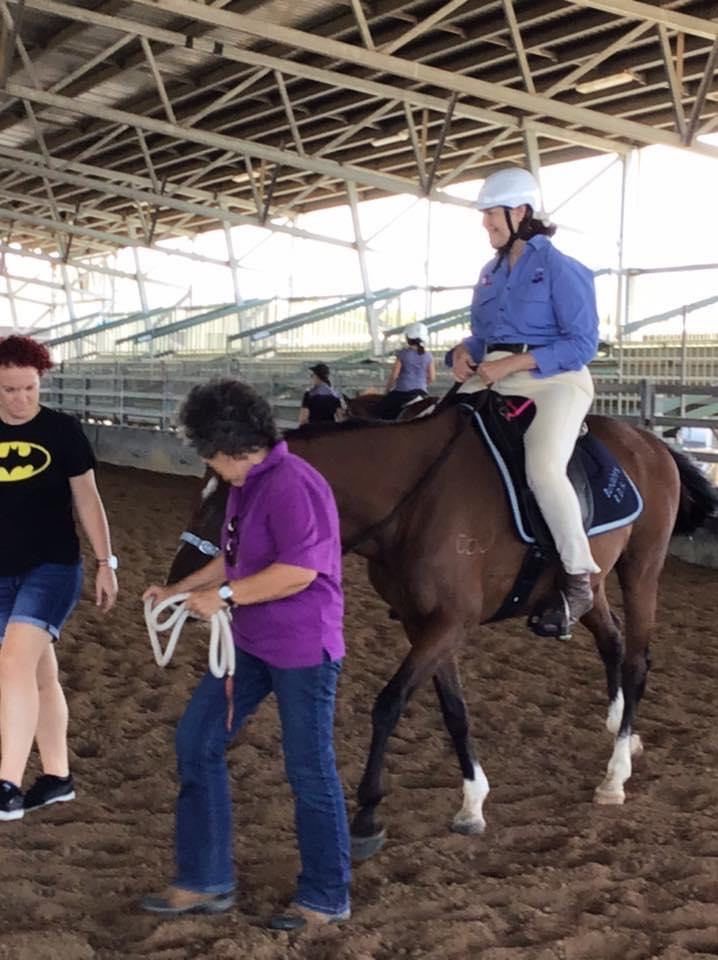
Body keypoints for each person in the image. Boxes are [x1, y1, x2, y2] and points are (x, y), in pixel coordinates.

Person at [141, 379, 351, 931]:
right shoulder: (247, 482)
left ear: (227, 448)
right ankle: (205, 879)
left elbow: (299, 570)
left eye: (209, 454)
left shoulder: (291, 485)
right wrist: (183, 589)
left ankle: (326, 896)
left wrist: (225, 597)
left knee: (309, 769)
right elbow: (235, 558)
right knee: (197, 739)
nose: (210, 464)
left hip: (303, 647)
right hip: (252, 643)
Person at [448, 167, 600, 634]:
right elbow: (483, 336)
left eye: (491, 214)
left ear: (520, 212)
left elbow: (582, 344)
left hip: (555, 379)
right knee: (436, 434)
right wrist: (461, 352)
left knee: (543, 468)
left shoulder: (562, 269)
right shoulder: (490, 273)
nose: (485, 224)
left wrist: (511, 365)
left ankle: (578, 577)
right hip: (494, 374)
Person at [0, 335, 118, 821]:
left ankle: (6, 784)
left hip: (53, 567)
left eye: (28, 388)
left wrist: (106, 562)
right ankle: (57, 777)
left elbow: (88, 500)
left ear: (40, 381)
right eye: (8, 390)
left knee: (11, 663)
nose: (20, 398)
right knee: (39, 674)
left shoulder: (63, 432)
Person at [379, 322, 435, 420]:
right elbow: (432, 378)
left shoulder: (403, 354)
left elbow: (394, 376)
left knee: (381, 411)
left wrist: (387, 390)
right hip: (421, 392)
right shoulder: (428, 356)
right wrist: (421, 383)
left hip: (402, 392)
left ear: (408, 338)